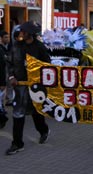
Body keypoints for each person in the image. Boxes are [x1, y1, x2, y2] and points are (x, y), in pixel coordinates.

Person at [6, 21, 51, 155]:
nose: (21, 34)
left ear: (30, 34)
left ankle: (43, 131)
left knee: (36, 112)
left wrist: (42, 81)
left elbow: (47, 65)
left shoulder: (40, 47)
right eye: (21, 31)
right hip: (19, 86)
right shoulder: (16, 47)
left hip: (35, 87)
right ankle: (17, 144)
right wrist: (11, 77)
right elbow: (10, 63)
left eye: (23, 32)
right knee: (17, 114)